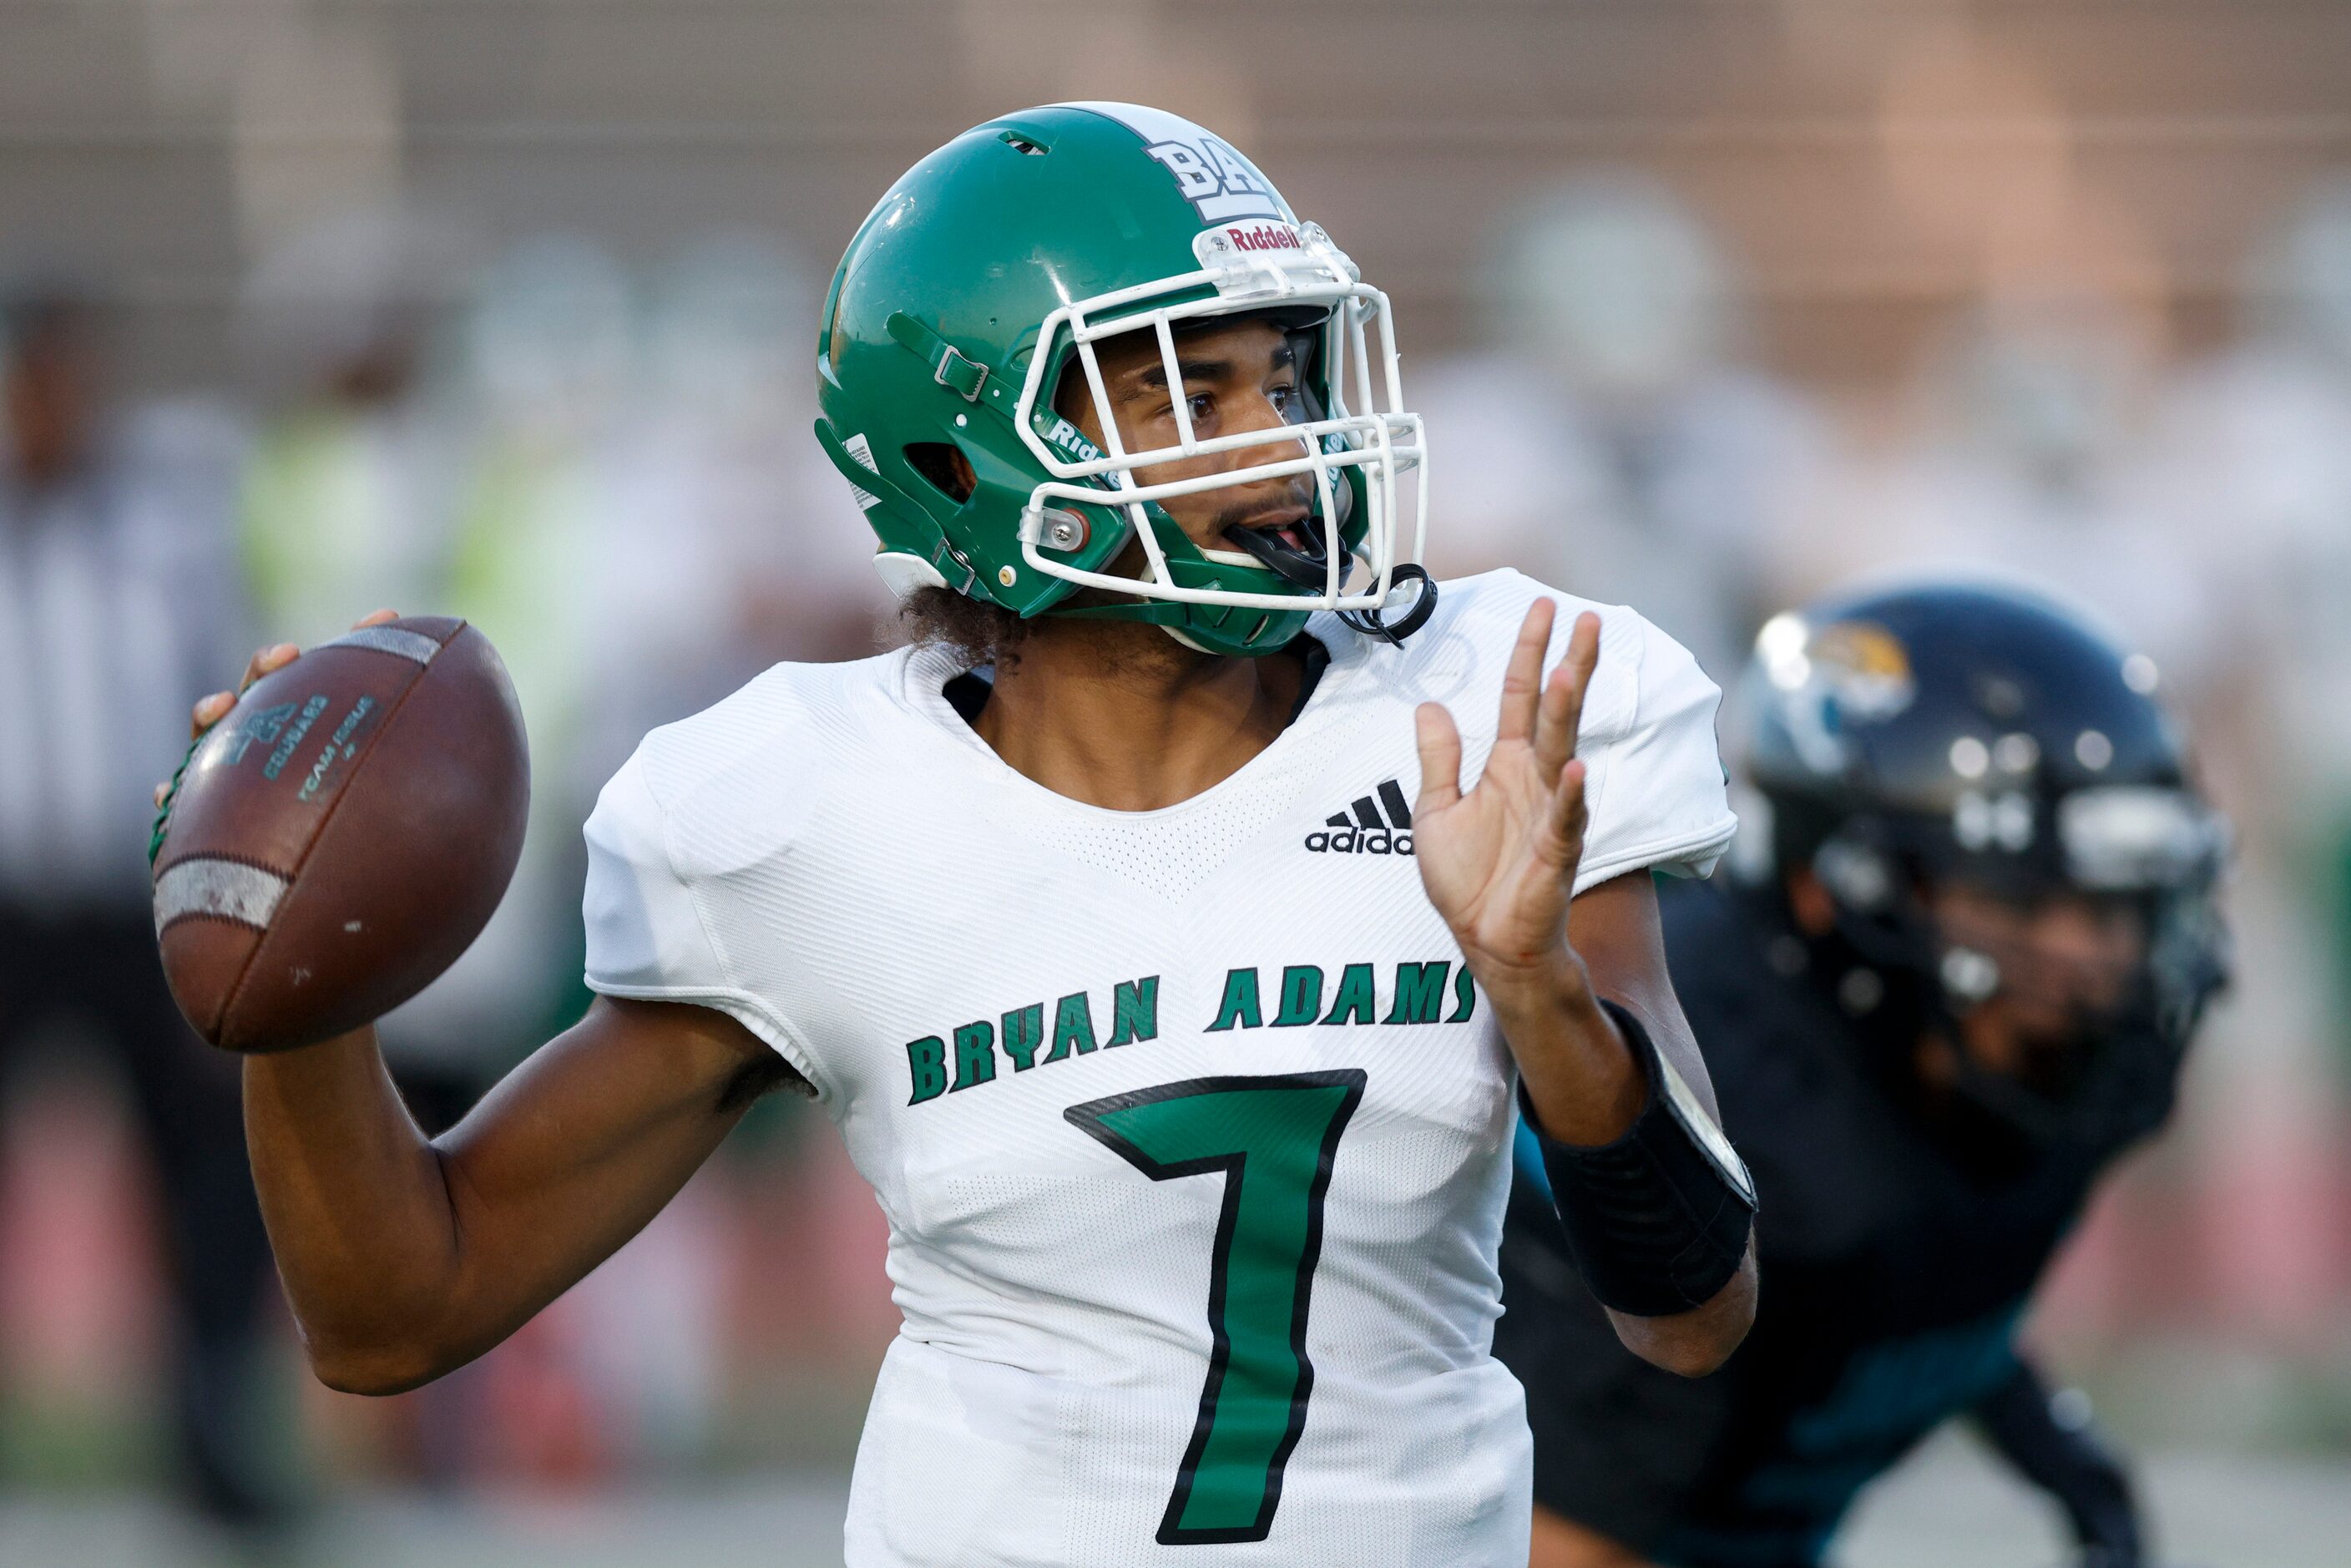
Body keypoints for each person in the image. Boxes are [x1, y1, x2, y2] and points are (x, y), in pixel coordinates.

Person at [170, 104, 1760, 1564]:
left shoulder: (1492, 711)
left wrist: (1539, 984)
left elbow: (1693, 1310)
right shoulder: (809, 810)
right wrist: (300, 958)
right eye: (1188, 393)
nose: (1280, 445)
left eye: (1282, 375)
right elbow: (396, 1310)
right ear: (972, 454)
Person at [1493, 580, 2229, 1568]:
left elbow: (1916, 1242)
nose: (2087, 964)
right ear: (1829, 888)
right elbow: (1558, 1542)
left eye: (2110, 908)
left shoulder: (2022, 1073)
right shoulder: (1741, 1127)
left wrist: (2018, 1411)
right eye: (2020, 903)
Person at [0, 287, 286, 1525]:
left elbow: (220, 696)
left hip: (133, 899)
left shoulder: (163, 525)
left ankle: (211, 1432)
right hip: (5, 905)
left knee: (206, 1175)